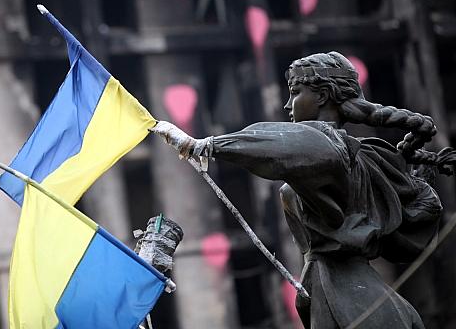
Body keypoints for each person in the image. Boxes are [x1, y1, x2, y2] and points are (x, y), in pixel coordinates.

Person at [151, 51, 454, 328]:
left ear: (322, 96)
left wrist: (204, 145)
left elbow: (287, 141)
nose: (287, 104)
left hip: (344, 295)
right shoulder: (362, 155)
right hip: (363, 294)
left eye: (295, 93)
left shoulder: (331, 147)